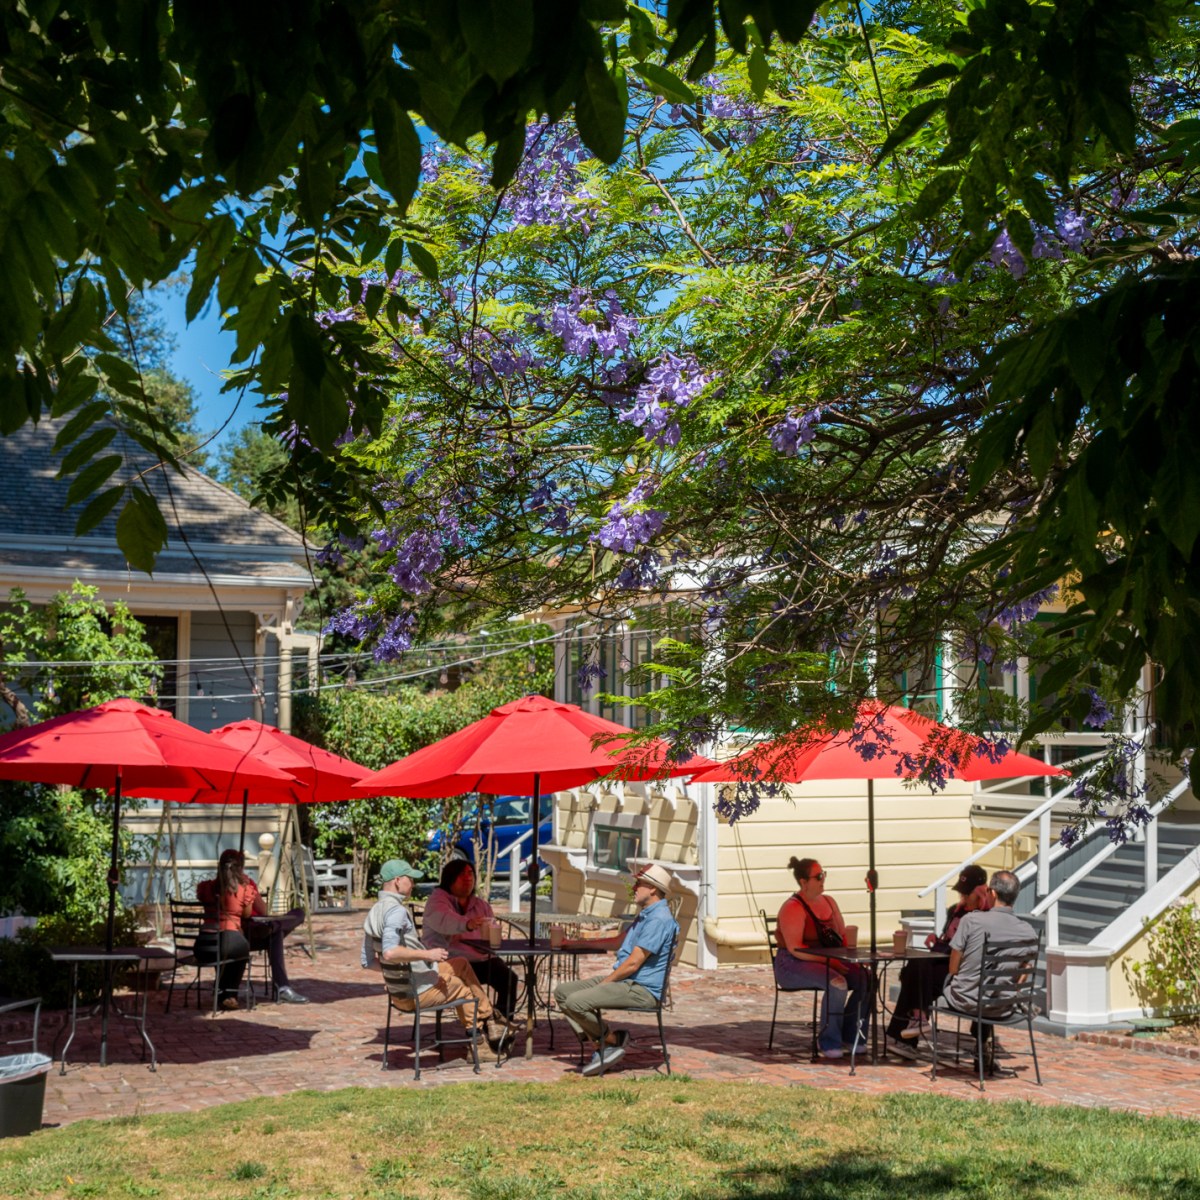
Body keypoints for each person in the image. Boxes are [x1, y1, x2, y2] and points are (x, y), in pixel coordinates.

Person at [361, 858, 515, 1052]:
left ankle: (491, 1019)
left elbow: (367, 961)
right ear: (398, 880)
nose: (414, 884)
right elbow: (390, 952)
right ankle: (480, 1046)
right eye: (411, 879)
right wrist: (427, 955)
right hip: (416, 990)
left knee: (460, 964)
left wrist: (396, 976)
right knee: (463, 988)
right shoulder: (396, 912)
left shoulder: (374, 911)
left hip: (403, 987)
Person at [554, 862, 679, 1077]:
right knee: (563, 993)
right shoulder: (646, 915)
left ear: (652, 889)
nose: (634, 888)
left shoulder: (658, 919)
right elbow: (618, 941)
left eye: (639, 883)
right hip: (627, 981)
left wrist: (606, 983)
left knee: (576, 1002)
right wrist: (575, 944)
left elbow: (633, 963)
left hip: (642, 989)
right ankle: (607, 1042)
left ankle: (608, 1043)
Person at [885, 864, 992, 1057]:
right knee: (916, 967)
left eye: (968, 894)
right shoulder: (955, 911)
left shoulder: (985, 917)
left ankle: (913, 1030)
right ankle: (918, 1021)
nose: (964, 898)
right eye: (962, 893)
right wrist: (937, 940)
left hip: (961, 969)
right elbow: (947, 938)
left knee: (915, 970)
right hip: (943, 960)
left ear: (981, 892)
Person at [774, 856, 869, 1060]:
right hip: (793, 964)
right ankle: (828, 1040)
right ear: (803, 882)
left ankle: (853, 1035)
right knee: (837, 983)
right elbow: (796, 948)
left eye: (823, 874)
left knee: (867, 978)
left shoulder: (829, 902)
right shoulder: (793, 907)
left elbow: (842, 935)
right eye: (818, 876)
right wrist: (831, 963)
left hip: (828, 960)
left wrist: (852, 958)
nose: (822, 879)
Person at [196, 848, 308, 1008]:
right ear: (240, 868)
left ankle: (225, 992)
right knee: (270, 933)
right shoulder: (244, 888)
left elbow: (205, 897)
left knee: (277, 928)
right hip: (239, 935)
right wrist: (246, 890)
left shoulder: (206, 888)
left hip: (203, 944)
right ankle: (279, 988)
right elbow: (255, 913)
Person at [422, 859, 518, 1018]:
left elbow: (491, 934)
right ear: (450, 879)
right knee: (469, 983)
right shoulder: (437, 901)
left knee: (508, 978)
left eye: (470, 874)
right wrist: (468, 924)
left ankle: (502, 1024)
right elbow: (446, 920)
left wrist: (492, 937)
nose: (468, 878)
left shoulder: (481, 905)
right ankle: (484, 1020)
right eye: (462, 874)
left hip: (480, 959)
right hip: (449, 962)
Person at [942, 869, 1036, 1019]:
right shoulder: (1028, 931)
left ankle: (916, 1020)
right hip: (1002, 1008)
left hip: (965, 1002)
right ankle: (982, 1039)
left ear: (992, 893)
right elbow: (1025, 971)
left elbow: (953, 969)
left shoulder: (971, 920)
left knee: (929, 975)